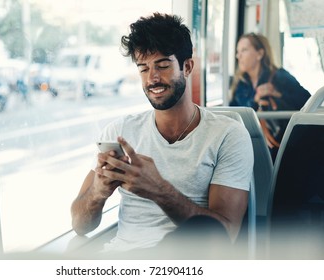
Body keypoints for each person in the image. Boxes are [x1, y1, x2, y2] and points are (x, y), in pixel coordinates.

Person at [71, 13, 254, 256]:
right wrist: (98, 192)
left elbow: (226, 233)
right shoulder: (120, 132)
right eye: (143, 68)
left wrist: (159, 189)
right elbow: (80, 226)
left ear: (187, 66)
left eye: (163, 66)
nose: (152, 78)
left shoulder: (228, 135)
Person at [230, 32, 311, 161]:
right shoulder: (240, 84)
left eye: (244, 50)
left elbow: (308, 101)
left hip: (283, 145)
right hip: (249, 144)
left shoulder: (280, 77)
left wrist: (277, 94)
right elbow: (232, 113)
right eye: (237, 51)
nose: (238, 56)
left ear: (260, 54)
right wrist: (254, 101)